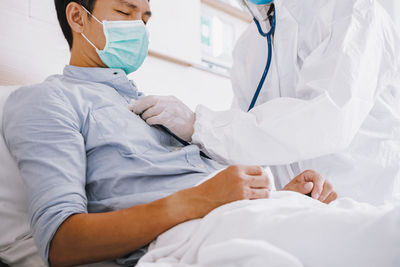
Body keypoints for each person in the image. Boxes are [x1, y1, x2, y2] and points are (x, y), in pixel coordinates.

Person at [2, 0, 337, 266]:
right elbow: (62, 243)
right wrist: (204, 199)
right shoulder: (49, 100)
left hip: (250, 217)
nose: (139, 27)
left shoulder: (151, 107)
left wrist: (281, 196)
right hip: (200, 236)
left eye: (145, 18)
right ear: (77, 16)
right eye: (125, 11)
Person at [131, 0, 400, 205]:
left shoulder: (352, 10)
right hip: (297, 212)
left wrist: (200, 125)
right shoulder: (249, 46)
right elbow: (245, 144)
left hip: (365, 202)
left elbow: (328, 117)